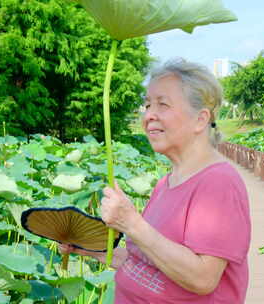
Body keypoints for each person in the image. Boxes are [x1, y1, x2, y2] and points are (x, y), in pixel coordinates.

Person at [60, 59, 251, 303]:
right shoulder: (167, 182)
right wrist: (88, 249)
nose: (149, 115)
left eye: (163, 104)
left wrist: (132, 224)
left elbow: (202, 278)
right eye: (148, 104)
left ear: (201, 119)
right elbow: (144, 262)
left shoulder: (218, 183)